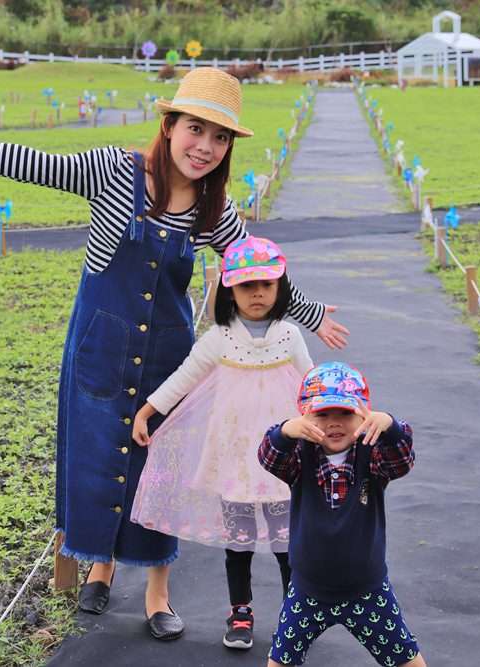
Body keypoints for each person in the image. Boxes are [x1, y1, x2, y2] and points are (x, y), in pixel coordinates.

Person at [0, 67, 350, 641]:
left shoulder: (215, 210)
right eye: (195, 129)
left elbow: (259, 276)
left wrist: (313, 314)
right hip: (101, 347)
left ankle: (157, 592)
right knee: (99, 457)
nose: (205, 147)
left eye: (219, 137)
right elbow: (30, 163)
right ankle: (98, 567)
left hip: (168, 354)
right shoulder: (113, 171)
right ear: (170, 123)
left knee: (159, 470)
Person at [130, 236, 313, 651]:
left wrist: (339, 424)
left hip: (282, 461)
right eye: (248, 286)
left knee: (288, 545)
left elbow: (311, 385)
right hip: (233, 459)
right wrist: (147, 411)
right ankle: (240, 612)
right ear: (230, 289)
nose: (258, 294)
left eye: (267, 285)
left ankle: (296, 614)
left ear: (280, 287)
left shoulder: (289, 335)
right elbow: (185, 376)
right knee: (240, 543)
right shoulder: (221, 337)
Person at [257, 362, 427, 667]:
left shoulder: (373, 455)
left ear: (364, 416)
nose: (334, 423)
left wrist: (390, 425)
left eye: (345, 414)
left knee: (407, 660)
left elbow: (402, 460)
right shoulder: (299, 457)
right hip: (308, 591)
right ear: (305, 417)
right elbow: (269, 457)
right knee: (280, 661)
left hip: (367, 591)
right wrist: (284, 431)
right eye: (322, 414)